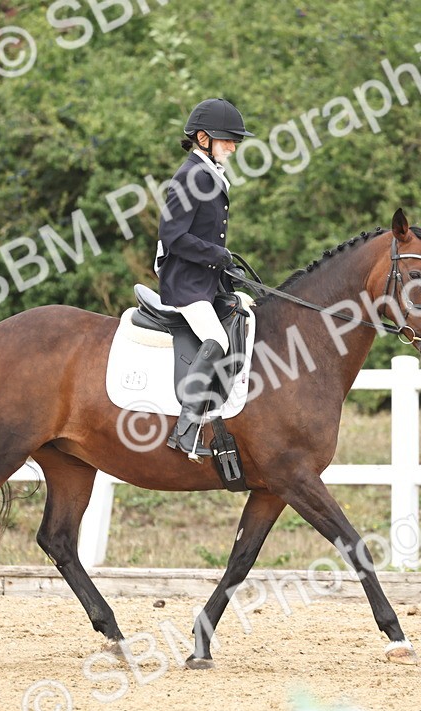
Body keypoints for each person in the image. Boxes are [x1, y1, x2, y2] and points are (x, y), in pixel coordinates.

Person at [156, 98, 254, 461]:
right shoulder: (191, 175)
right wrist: (218, 256)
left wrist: (228, 268)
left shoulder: (209, 171)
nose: (233, 146)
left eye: (234, 141)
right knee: (215, 337)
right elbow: (173, 235)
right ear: (202, 138)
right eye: (227, 139)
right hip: (185, 284)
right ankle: (185, 430)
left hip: (206, 281)